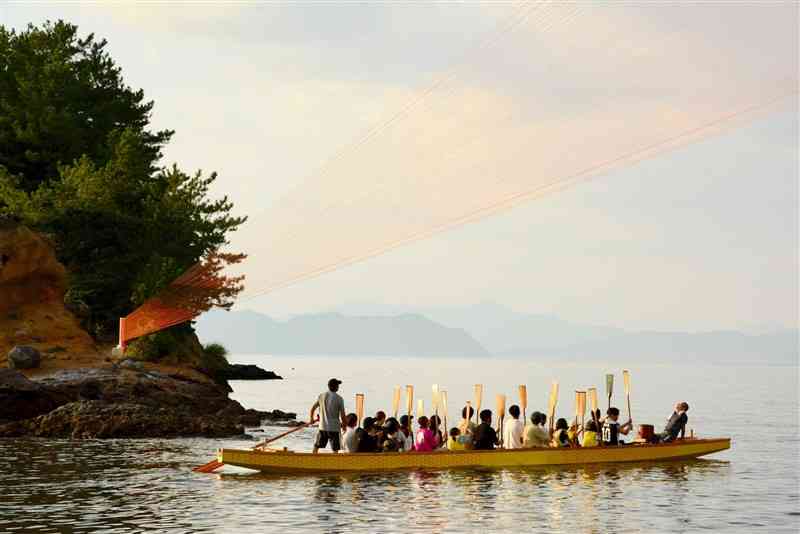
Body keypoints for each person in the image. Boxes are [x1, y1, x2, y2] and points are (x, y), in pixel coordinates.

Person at [310, 378, 347, 454]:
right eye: (338, 385)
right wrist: (344, 426)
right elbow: (342, 415)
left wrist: (311, 419)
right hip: (334, 428)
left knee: (316, 446)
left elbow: (313, 408)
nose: (338, 387)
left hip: (322, 426)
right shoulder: (339, 399)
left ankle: (312, 459)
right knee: (335, 449)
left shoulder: (321, 396)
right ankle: (334, 463)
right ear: (336, 387)